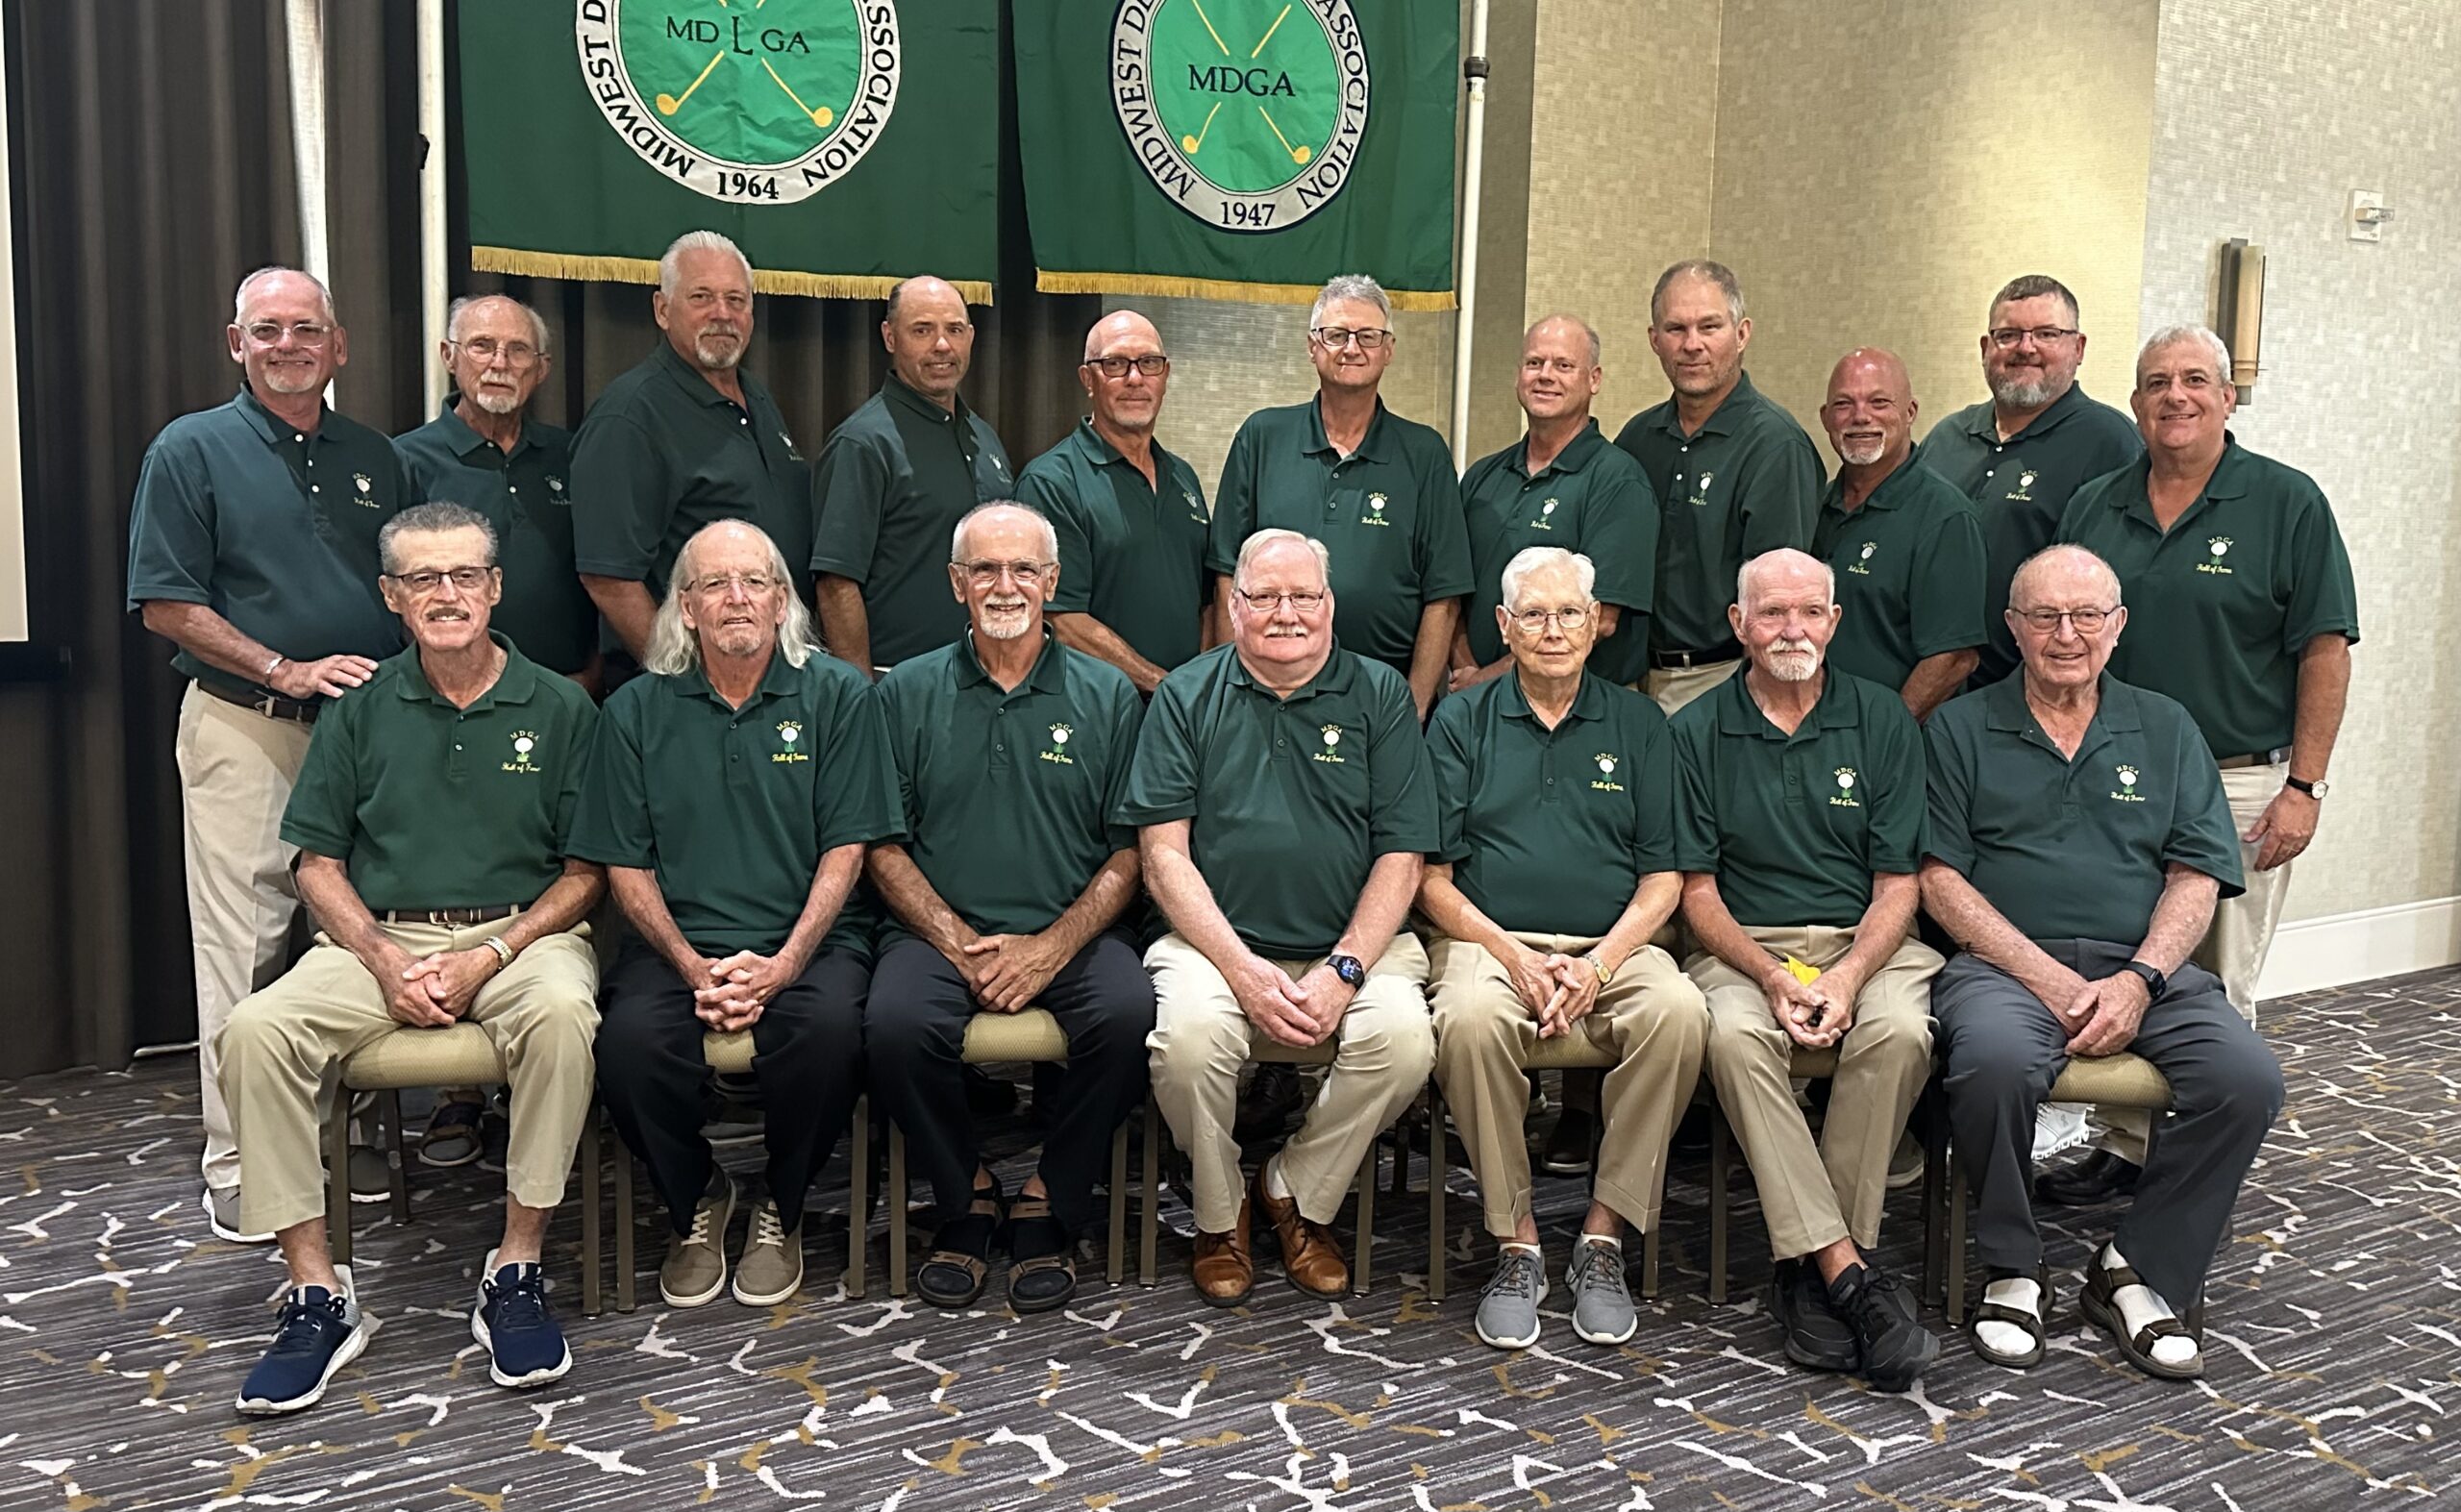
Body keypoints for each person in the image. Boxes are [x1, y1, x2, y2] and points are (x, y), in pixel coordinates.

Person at [219, 503, 602, 1413]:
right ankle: (320, 1292)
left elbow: (587, 875)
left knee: (561, 1014)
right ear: (392, 595)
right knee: (254, 1028)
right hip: (380, 934)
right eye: (424, 579)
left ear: (495, 586)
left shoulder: (559, 705)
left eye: (465, 575)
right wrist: (384, 957)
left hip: (523, 935)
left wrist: (495, 951)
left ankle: (515, 1268)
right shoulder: (358, 711)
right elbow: (318, 865)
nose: (447, 594)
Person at [1922, 544, 2283, 1381]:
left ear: (2117, 627)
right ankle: (2013, 1263)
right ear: (2013, 628)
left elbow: (2196, 877)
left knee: (2248, 1079)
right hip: (2004, 968)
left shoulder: (2166, 726)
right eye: (2045, 615)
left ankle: (2137, 1267)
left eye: (2087, 615)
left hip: (2146, 970)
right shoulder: (1960, 727)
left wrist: (2139, 979)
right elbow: (1939, 879)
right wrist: (2047, 979)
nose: (2067, 633)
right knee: (1993, 1065)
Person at [126, 265, 413, 1241]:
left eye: (306, 329)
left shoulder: (378, 456)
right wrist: (284, 668)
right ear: (234, 343)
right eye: (268, 330)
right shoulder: (190, 449)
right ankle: (240, 1157)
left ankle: (354, 1132)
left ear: (338, 347)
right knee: (243, 953)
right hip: (246, 724)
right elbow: (167, 601)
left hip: (365, 740)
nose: (288, 344)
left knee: (362, 940)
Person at [2043, 324, 2357, 1205]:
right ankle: (2125, 1144)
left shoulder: (2286, 502)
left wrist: (2305, 785)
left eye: (2194, 380)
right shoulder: (2098, 504)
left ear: (2227, 396)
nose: (2174, 396)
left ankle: (2198, 1157)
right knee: (2128, 955)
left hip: (2241, 777)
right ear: (2134, 403)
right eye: (2155, 383)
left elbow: (2326, 650)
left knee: (2219, 975)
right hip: (2119, 773)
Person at [572, 521, 901, 1308]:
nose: (736, 598)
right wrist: (690, 965)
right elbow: (624, 860)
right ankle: (696, 1198)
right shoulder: (636, 709)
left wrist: (784, 963)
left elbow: (848, 847)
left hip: (813, 941)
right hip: (676, 944)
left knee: (827, 1037)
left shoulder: (839, 695)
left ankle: (782, 1207)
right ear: (684, 608)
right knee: (626, 1047)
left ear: (782, 599)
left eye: (754, 581)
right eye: (714, 584)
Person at [1123, 529, 1439, 1302]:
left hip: (1356, 942)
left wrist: (1344, 969)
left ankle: (1295, 1189)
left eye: (1303, 596)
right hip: (1213, 943)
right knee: (1189, 1040)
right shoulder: (1186, 695)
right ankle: (1218, 1209)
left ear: (1330, 606)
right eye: (1264, 596)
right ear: (1234, 609)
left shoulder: (1381, 695)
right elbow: (1163, 855)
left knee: (1403, 1041)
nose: (1285, 612)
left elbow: (1403, 856)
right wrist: (1238, 966)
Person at [867, 503, 1154, 1314]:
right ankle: (968, 1193)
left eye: (1024, 569)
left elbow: (1130, 849)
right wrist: (957, 941)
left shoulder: (1106, 695)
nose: (1005, 585)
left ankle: (1052, 1199)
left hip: (1074, 931)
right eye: (985, 570)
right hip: (935, 932)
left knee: (1132, 1012)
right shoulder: (906, 690)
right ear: (956, 583)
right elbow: (882, 844)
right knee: (890, 1023)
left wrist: (1051, 946)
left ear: (1052, 581)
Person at [1672, 548, 1942, 1392]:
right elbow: (1697, 893)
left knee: (1899, 1030)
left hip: (1867, 940)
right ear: (1739, 625)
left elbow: (1900, 883)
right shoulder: (1695, 730)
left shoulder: (1881, 719)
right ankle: (1847, 1271)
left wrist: (1849, 976)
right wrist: (1775, 975)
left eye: (1810, 611)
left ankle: (1811, 1266)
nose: (1793, 629)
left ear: (1833, 619)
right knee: (1731, 1033)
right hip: (1745, 945)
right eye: (1773, 613)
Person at [1421, 547, 1703, 1351]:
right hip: (1488, 940)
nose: (1554, 629)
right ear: (1504, 628)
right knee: (1471, 1017)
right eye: (1534, 615)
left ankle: (1603, 1234)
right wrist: (1513, 956)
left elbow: (1664, 882)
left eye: (1570, 612)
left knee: (1681, 1011)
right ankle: (1517, 1243)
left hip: (1609, 943)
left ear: (1597, 624)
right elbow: (1431, 881)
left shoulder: (1640, 723)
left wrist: (1600, 963)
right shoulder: (1461, 721)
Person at [1207, 276, 1471, 720]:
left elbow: (1443, 595)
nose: (1352, 348)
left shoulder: (1425, 453)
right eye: (1336, 335)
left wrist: (1414, 705)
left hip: (1382, 700)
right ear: (1313, 346)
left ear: (1388, 350)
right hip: (1268, 694)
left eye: (1368, 336)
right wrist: (1230, 694)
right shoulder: (1262, 437)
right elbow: (1225, 576)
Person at [571, 231, 809, 669]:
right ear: (663, 310)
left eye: (736, 301)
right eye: (701, 297)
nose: (722, 314)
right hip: (693, 688)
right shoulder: (629, 416)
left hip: (767, 675)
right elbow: (608, 577)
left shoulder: (755, 397)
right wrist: (680, 680)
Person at [1612, 260, 1823, 715]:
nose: (1692, 345)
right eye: (1676, 329)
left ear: (1742, 333)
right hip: (1627, 680)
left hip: (1720, 683)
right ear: (1654, 340)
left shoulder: (1775, 446)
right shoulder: (1636, 438)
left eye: (1709, 326)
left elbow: (1779, 604)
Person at [1923, 275, 2142, 687]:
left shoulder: (2111, 443)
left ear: (2078, 349)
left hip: (2038, 701)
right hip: (1935, 692)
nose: (2026, 348)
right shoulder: (1946, 438)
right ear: (1985, 349)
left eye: (2047, 334)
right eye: (2008, 335)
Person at [811, 276, 1015, 674]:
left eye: (954, 330)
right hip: (895, 682)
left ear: (971, 337)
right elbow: (836, 585)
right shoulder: (863, 443)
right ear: (890, 337)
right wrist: (861, 696)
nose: (942, 345)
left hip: (985, 680)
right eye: (922, 330)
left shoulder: (985, 438)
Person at [395, 293, 597, 692]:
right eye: (482, 346)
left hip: (570, 693)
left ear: (541, 369)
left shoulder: (572, 456)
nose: (499, 364)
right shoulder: (403, 460)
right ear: (449, 357)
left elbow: (606, 568)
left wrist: (593, 673)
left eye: (518, 350)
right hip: (449, 699)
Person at [1452, 317, 1657, 694]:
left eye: (1563, 365)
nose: (1545, 375)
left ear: (1594, 379)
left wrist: (1486, 678)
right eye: (1534, 363)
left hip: (1580, 707)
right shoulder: (1483, 476)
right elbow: (1451, 591)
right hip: (1476, 704)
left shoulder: (1619, 482)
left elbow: (1602, 621)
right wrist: (1465, 671)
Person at [1014, 310, 1212, 694]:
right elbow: (1060, 618)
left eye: (1149, 363)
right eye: (1116, 364)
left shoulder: (1183, 476)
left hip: (1180, 713)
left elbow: (1205, 603)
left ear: (1165, 376)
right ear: (1088, 379)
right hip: (1093, 712)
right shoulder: (1051, 482)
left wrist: (1196, 687)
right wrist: (1164, 685)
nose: (1135, 378)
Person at [1810, 348, 1986, 720]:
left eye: (1879, 402)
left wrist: (1888, 735)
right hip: (1817, 732)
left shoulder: (1944, 515)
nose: (1861, 417)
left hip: (1895, 746)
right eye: (1844, 404)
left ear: (1910, 413)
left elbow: (1954, 658)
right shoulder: (1815, 507)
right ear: (1826, 419)